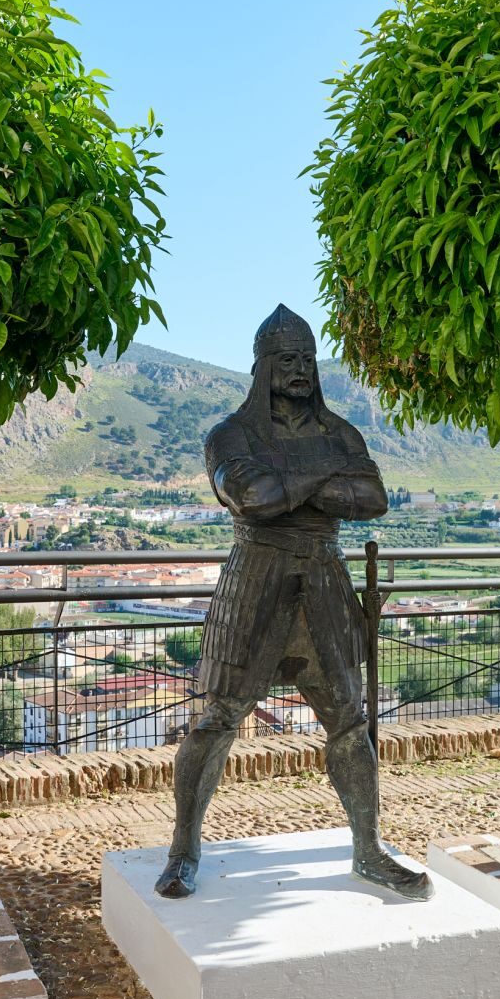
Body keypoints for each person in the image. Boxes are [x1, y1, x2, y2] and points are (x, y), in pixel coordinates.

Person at [155, 304, 433, 901]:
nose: (300, 368)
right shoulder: (231, 435)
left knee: (350, 724)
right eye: (287, 358)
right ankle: (183, 850)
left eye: (306, 357)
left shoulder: (342, 433)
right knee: (217, 719)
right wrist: (320, 483)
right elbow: (252, 497)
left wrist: (289, 487)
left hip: (326, 584)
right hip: (255, 579)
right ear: (263, 367)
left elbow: (373, 498)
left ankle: (368, 849)